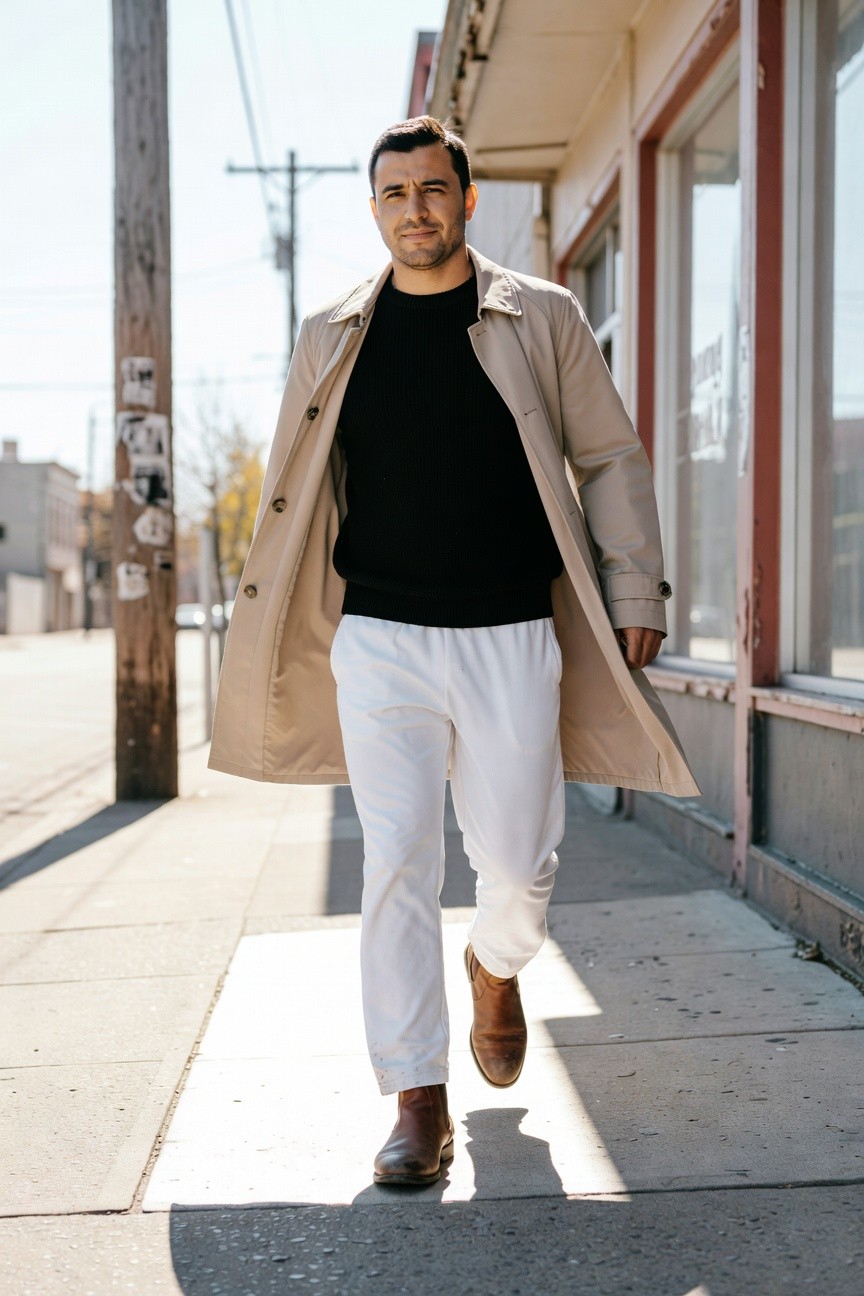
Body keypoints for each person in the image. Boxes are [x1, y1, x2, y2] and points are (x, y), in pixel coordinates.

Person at [209, 116, 698, 1187]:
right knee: (395, 860)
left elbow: (610, 456)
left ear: (466, 200)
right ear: (374, 209)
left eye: (433, 189)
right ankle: (416, 1098)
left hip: (511, 628)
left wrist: (634, 584)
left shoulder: (541, 316)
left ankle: (493, 962)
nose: (415, 210)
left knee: (520, 862)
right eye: (395, 194)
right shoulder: (332, 335)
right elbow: (295, 490)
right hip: (379, 637)